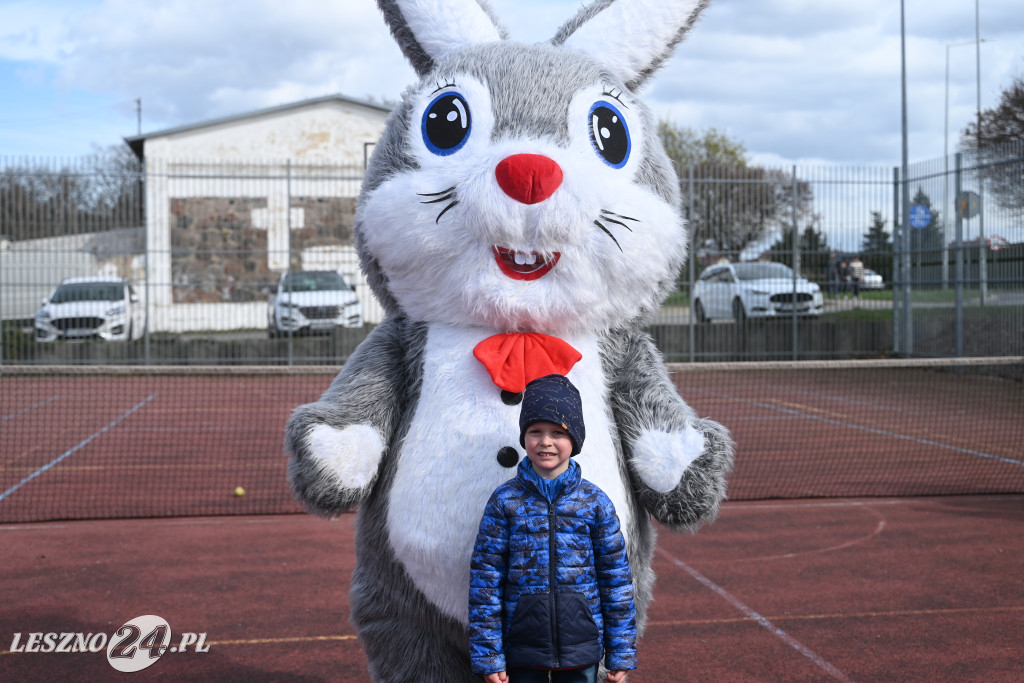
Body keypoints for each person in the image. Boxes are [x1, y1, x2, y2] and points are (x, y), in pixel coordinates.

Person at [469, 374, 637, 683]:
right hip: (522, 648)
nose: (545, 441)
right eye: (535, 431)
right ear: (524, 438)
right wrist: (490, 657)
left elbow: (616, 582)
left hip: (581, 648)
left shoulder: (595, 502)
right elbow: (485, 583)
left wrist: (621, 651)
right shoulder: (504, 502)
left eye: (557, 432)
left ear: (574, 439)